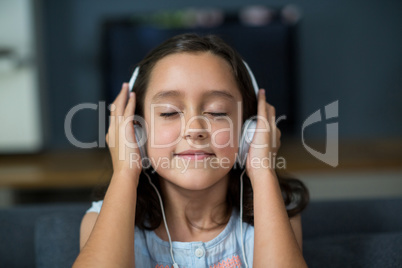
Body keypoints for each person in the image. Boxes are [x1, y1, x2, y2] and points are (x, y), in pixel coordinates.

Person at [73, 33, 309, 268]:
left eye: (217, 112)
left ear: (250, 130)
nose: (195, 129)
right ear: (136, 132)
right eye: (169, 112)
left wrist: (262, 169)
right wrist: (125, 171)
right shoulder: (99, 222)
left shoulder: (276, 215)